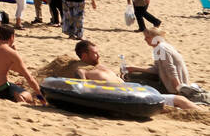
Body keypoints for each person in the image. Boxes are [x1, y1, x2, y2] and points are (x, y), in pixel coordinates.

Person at [70, 39, 199, 111]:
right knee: (179, 100)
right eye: (95, 53)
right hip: (128, 98)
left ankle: (201, 112)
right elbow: (81, 87)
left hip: (134, 91)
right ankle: (204, 114)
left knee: (180, 101)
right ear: (84, 56)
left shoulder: (100, 67)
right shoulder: (82, 70)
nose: (99, 55)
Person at [0, 24, 46, 104]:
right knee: (28, 95)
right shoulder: (11, 53)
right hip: (1, 90)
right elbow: (30, 79)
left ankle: (14, 92)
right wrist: (41, 98)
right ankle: (20, 96)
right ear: (12, 37)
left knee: (11, 84)